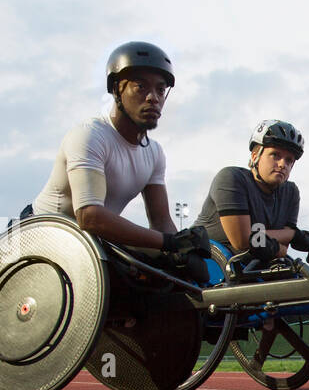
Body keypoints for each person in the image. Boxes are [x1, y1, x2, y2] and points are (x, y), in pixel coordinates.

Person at [28, 41, 208, 275]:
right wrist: (167, 243)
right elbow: (89, 217)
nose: (153, 97)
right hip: (43, 237)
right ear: (116, 90)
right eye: (141, 87)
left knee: (185, 274)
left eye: (160, 90)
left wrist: (183, 247)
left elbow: (162, 222)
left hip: (91, 243)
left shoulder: (154, 153)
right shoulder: (90, 136)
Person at [192, 119, 309, 272]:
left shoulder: (291, 192)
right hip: (207, 267)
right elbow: (241, 240)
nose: (282, 164)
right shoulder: (231, 178)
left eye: (289, 160)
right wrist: (294, 235)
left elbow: (281, 248)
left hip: (254, 268)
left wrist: (282, 240)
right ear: (254, 157)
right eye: (275, 155)